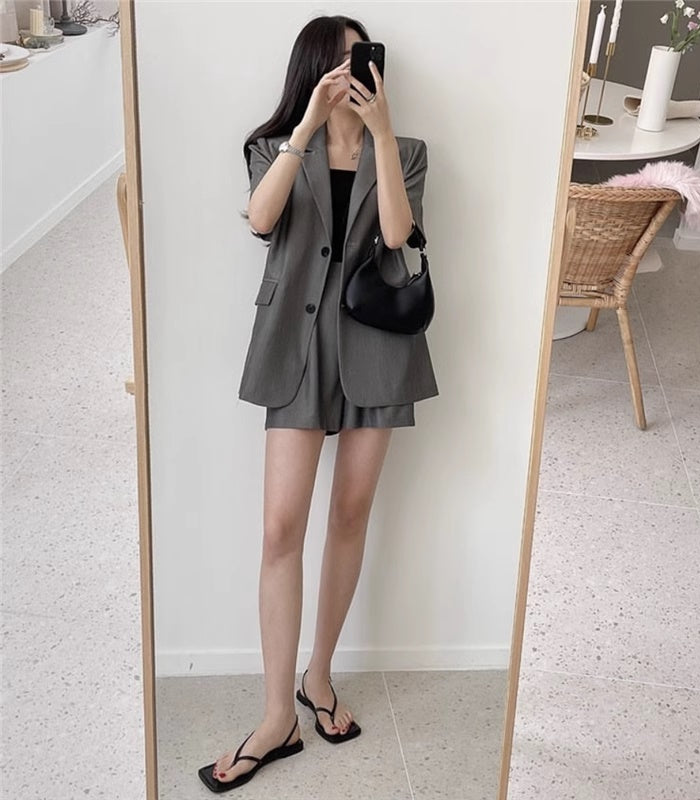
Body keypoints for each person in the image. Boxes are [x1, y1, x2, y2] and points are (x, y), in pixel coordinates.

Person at [197, 14, 438, 793]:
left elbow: (397, 234)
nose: (349, 72)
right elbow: (261, 220)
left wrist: (383, 132)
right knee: (279, 529)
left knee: (350, 515)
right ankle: (278, 717)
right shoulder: (274, 147)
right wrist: (305, 128)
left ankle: (319, 677)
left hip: (376, 346)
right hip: (295, 348)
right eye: (335, 61)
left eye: (360, 58)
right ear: (310, 69)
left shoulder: (406, 150)